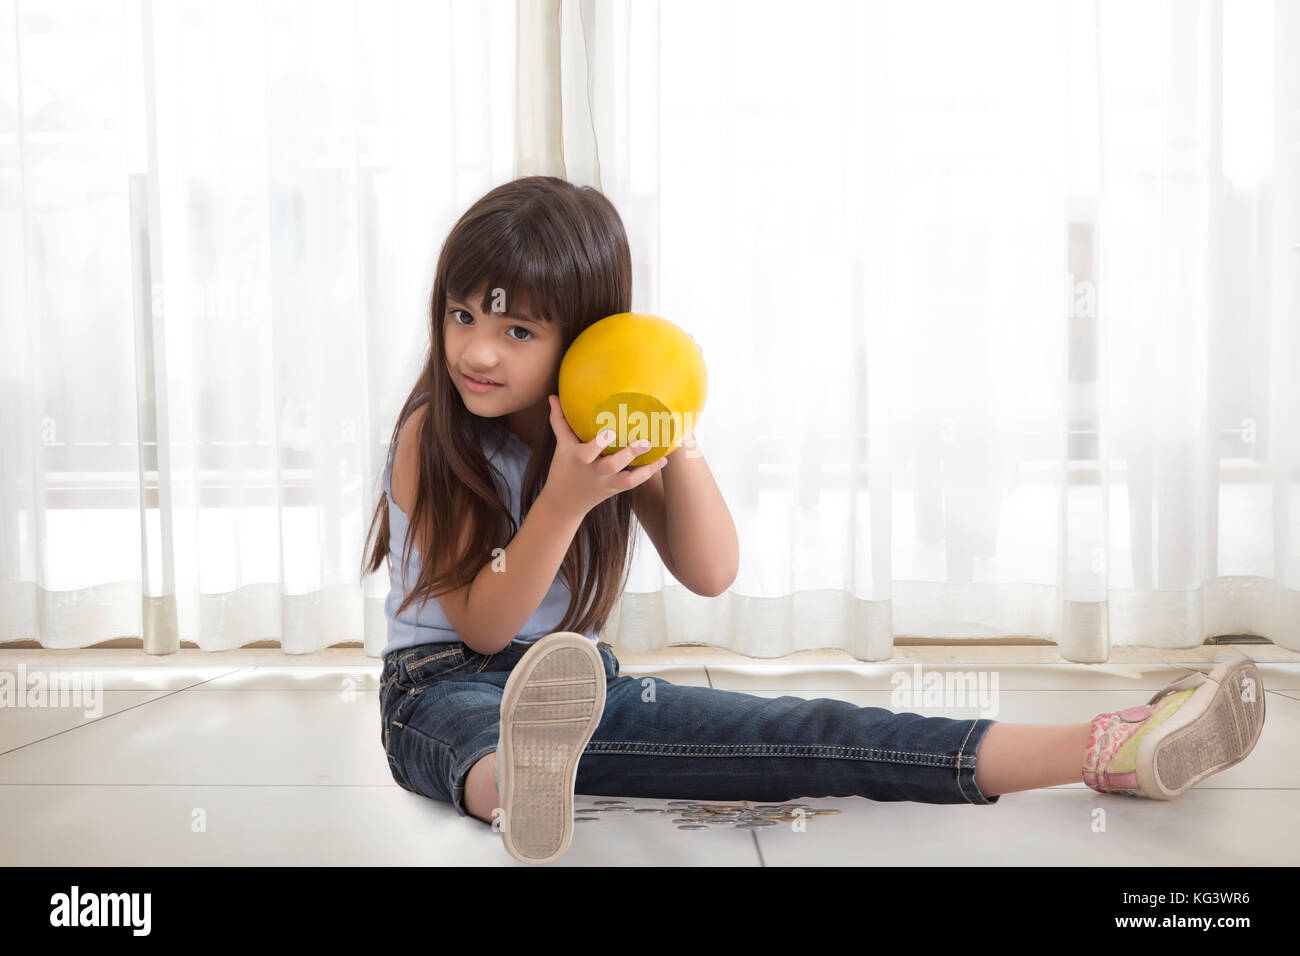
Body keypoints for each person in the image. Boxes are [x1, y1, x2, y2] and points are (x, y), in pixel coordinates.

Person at [360, 175, 1267, 864]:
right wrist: (562, 500)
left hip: (576, 686)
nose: (476, 349)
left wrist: (670, 426)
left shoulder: (604, 435)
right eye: (463, 313)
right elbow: (482, 626)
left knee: (801, 730)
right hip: (441, 679)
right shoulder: (428, 437)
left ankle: (1111, 748)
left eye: (518, 330)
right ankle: (516, 787)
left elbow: (711, 570)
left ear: (586, 338)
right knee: (462, 738)